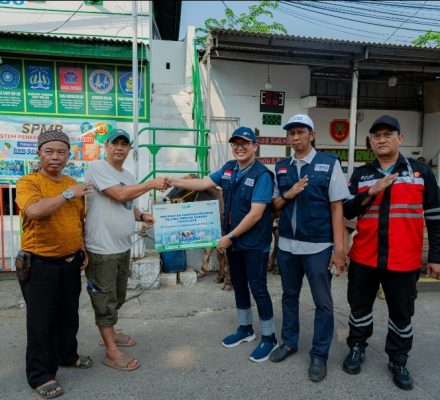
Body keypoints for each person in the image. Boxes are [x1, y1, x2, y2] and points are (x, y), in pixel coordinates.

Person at [342, 115, 440, 390]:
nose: (382, 139)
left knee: (401, 313)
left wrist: (436, 256)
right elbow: (347, 210)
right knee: (359, 308)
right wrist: (370, 192)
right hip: (364, 257)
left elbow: (435, 217)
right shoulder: (361, 175)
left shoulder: (421, 173)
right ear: (371, 142)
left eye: (388, 134)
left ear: (400, 138)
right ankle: (357, 346)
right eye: (376, 136)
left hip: (404, 260)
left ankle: (398, 359)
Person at [166, 126, 278, 362]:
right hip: (234, 242)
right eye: (235, 143)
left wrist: (229, 237)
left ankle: (269, 337)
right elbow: (203, 183)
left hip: (254, 243)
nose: (239, 147)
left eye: (245, 143)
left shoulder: (262, 175)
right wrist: (172, 180)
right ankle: (245, 329)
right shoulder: (229, 169)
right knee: (239, 285)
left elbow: (256, 214)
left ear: (255, 146)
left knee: (258, 288)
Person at [270, 114, 349, 382]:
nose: (295, 137)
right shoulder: (282, 167)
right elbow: (274, 206)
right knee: (289, 296)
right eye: (291, 133)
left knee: (323, 302)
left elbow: (337, 208)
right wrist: (288, 194)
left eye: (300, 132)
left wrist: (339, 250)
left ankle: (319, 355)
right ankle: (289, 342)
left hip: (318, 247)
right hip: (287, 247)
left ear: (312, 135)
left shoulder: (329, 164)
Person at [15, 129, 93, 399]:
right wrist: (68, 194)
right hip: (40, 264)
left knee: (69, 315)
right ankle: (40, 374)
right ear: (39, 154)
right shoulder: (29, 182)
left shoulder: (72, 183)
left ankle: (67, 355)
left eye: (61, 152)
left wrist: (82, 249)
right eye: (49, 151)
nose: (55, 157)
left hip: (70, 262)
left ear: (69, 155)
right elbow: (35, 211)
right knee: (41, 322)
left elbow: (78, 220)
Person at [84, 128, 166, 371]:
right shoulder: (97, 168)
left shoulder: (129, 175)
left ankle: (109, 333)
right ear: (106, 146)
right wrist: (151, 184)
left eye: (124, 144)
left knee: (117, 296)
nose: (119, 147)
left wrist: (142, 215)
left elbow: (128, 204)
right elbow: (119, 194)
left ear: (130, 149)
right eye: (115, 143)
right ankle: (111, 351)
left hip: (122, 247)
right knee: (104, 299)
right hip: (101, 248)